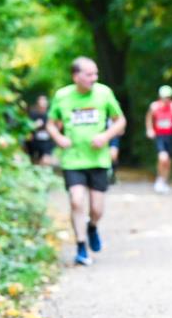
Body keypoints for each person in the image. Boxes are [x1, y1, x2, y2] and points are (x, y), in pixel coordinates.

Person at [46, 57, 126, 266]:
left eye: (95, 74)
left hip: (99, 159)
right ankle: (81, 246)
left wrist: (106, 137)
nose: (94, 78)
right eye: (89, 74)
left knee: (97, 209)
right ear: (76, 76)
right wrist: (59, 138)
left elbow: (120, 121)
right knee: (76, 200)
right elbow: (51, 124)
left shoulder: (104, 93)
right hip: (73, 159)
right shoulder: (62, 96)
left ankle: (92, 227)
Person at [145, 85, 172, 194]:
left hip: (170, 136)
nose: (166, 99)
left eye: (168, 97)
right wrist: (149, 129)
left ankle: (164, 181)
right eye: (164, 97)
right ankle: (159, 179)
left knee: (168, 161)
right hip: (160, 135)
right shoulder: (155, 106)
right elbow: (149, 118)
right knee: (162, 158)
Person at [25, 95, 55, 166]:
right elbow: (27, 128)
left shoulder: (50, 115)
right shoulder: (32, 114)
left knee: (45, 161)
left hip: (47, 142)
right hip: (34, 142)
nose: (42, 106)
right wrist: (34, 125)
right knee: (33, 160)